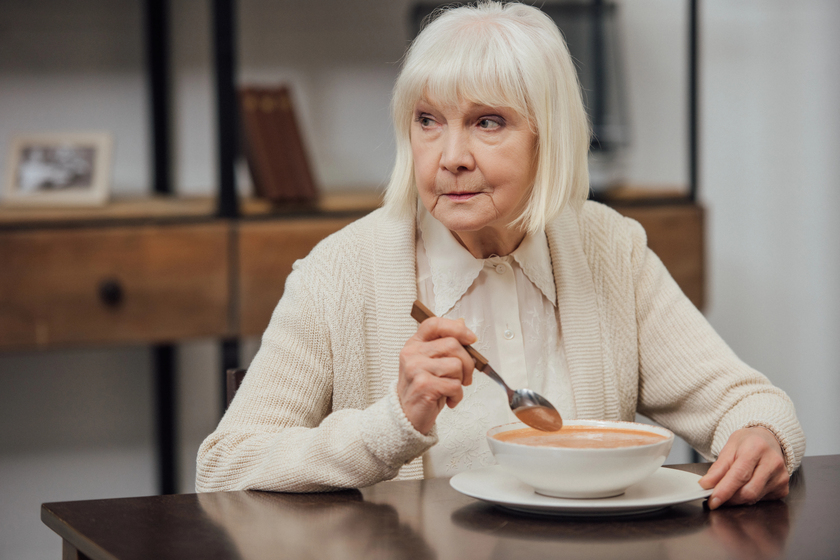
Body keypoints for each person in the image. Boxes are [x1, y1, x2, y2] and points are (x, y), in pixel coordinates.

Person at [197, 1, 804, 510]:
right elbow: (225, 466)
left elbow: (746, 401)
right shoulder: (339, 272)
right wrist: (394, 422)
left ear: (550, 135)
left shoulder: (610, 248)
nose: (450, 156)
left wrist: (761, 434)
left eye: (488, 122)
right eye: (428, 121)